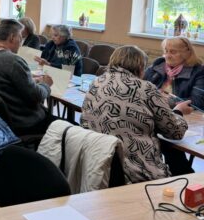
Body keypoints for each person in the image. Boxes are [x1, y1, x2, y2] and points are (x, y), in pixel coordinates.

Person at [81, 45, 191, 183]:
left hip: (96, 161)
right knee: (179, 163)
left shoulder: (97, 82)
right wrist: (178, 110)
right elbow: (176, 132)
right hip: (134, 169)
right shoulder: (145, 88)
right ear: (140, 67)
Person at [0, 19, 54, 136]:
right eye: (20, 37)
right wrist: (46, 84)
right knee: (68, 127)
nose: (21, 42)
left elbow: (9, 83)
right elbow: (37, 96)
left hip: (2, 118)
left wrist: (33, 81)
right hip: (24, 121)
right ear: (12, 37)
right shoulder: (14, 61)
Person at [144, 37, 204, 109]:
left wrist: (167, 101)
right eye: (166, 51)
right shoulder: (158, 65)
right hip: (150, 109)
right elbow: (139, 86)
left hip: (180, 113)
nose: (168, 56)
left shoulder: (199, 71)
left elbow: (198, 101)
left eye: (173, 52)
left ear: (187, 53)